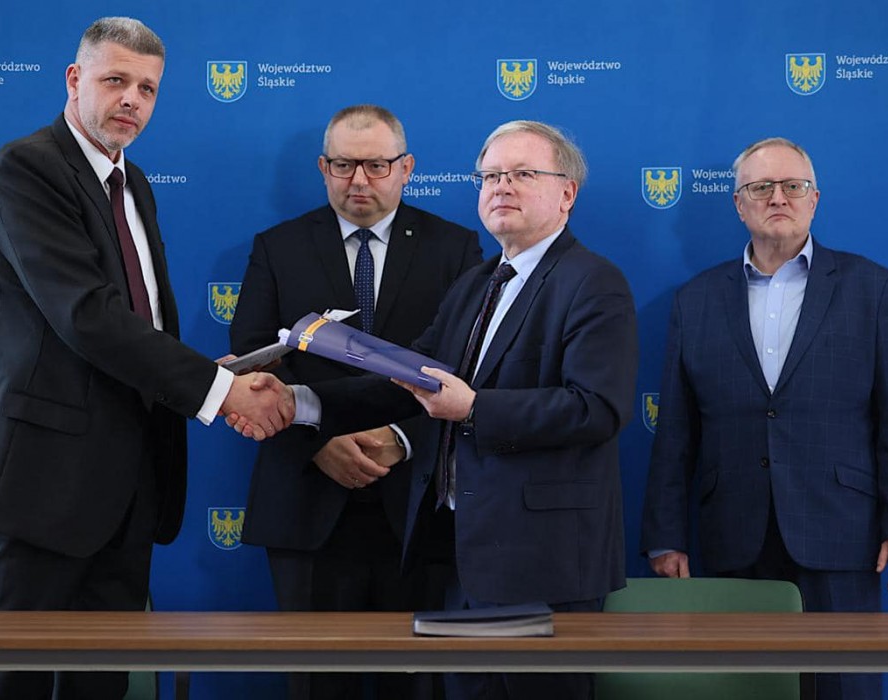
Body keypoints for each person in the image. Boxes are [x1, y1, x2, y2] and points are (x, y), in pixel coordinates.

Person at [233, 120, 638, 700]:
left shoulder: (593, 282)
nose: (502, 186)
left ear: (566, 193)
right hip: (460, 552)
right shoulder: (478, 283)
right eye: (491, 176)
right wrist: (298, 402)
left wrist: (472, 408)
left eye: (523, 174)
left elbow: (596, 409)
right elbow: (404, 380)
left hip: (540, 560)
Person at [0, 17, 291, 700]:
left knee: (103, 683)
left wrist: (220, 375)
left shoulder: (133, 183)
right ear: (74, 80)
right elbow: (87, 316)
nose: (132, 100)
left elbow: (142, 323)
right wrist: (218, 391)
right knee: (13, 684)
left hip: (131, 482)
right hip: (42, 482)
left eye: (147, 88)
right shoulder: (26, 169)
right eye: (116, 80)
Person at [640, 136, 888, 700]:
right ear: (738, 204)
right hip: (733, 534)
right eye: (760, 187)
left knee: (844, 688)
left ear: (814, 198)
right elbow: (676, 431)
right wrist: (664, 536)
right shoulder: (695, 299)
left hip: (841, 533)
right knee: (745, 688)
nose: (778, 197)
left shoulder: (871, 288)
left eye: (792, 186)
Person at [229, 104, 482, 700]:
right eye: (343, 165)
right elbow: (252, 366)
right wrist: (319, 441)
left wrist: (401, 441)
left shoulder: (455, 248)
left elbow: (471, 368)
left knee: (415, 686)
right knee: (315, 684)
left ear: (406, 168)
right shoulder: (278, 247)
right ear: (324, 168)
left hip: (415, 502)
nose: (359, 180)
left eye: (376, 165)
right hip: (305, 498)